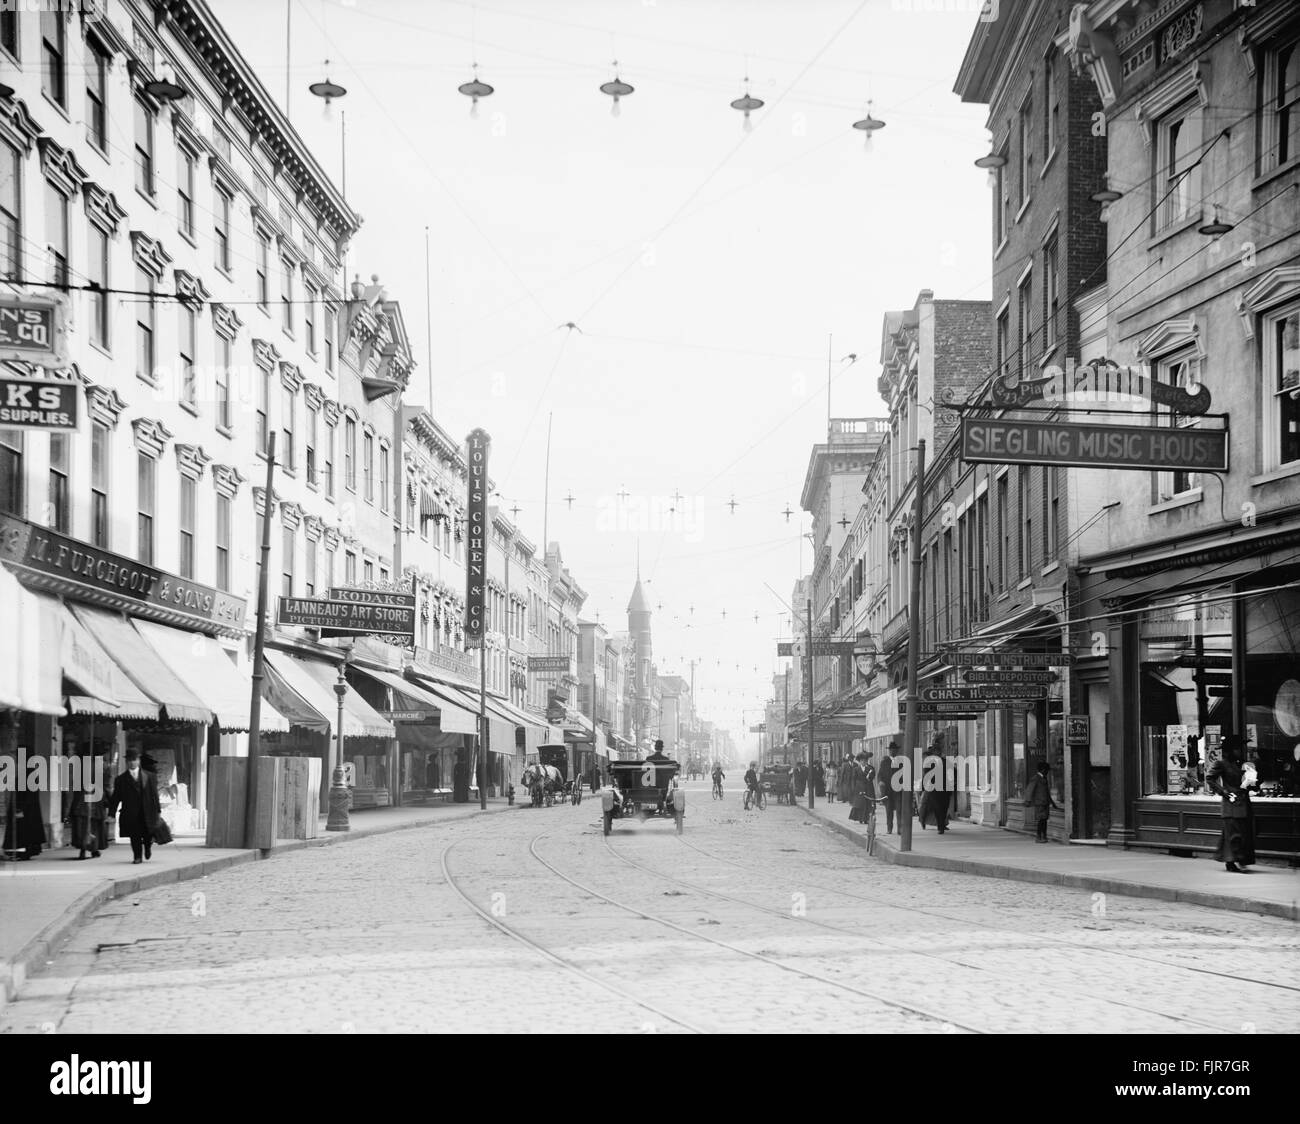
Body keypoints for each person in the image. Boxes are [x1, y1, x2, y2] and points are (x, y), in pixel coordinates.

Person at [1207, 734, 1256, 873]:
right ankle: (1236, 860)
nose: (1239, 752)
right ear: (1230, 750)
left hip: (1244, 803)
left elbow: (1249, 785)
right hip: (1231, 803)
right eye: (1237, 749)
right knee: (1234, 835)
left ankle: (1234, 860)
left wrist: (1252, 781)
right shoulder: (1221, 764)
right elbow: (1210, 779)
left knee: (1241, 833)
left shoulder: (1243, 764)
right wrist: (1224, 792)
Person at [108, 750, 161, 864]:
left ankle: (147, 847)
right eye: (130, 760)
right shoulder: (121, 780)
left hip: (147, 811)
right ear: (127, 762)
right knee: (134, 835)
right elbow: (116, 797)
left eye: (134, 760)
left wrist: (158, 810)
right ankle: (137, 856)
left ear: (139, 761)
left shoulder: (150, 776)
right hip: (131, 812)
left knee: (147, 834)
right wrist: (111, 814)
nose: (132, 763)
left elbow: (154, 794)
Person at [1023, 761, 1058, 843]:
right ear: (1043, 770)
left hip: (1045, 803)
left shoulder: (1044, 778)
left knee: (1044, 820)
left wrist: (1052, 803)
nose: (1048, 772)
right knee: (1041, 820)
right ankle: (1039, 837)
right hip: (1039, 803)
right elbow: (1029, 790)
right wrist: (1027, 801)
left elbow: (1047, 792)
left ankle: (1044, 836)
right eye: (1047, 770)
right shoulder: (1036, 778)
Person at [878, 742, 901, 834]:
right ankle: (889, 828)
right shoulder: (884, 762)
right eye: (891, 750)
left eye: (894, 750)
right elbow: (880, 774)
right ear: (889, 751)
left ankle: (900, 828)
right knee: (889, 810)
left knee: (899, 810)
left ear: (897, 751)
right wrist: (880, 781)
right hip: (887, 790)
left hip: (898, 790)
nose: (893, 751)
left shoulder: (901, 761)